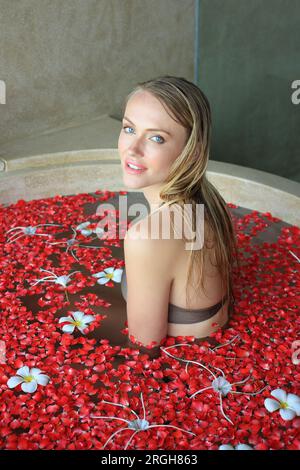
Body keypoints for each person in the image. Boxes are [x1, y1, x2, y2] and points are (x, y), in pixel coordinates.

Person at [117, 75, 240, 355]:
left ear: (191, 152)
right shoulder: (207, 199)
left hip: (182, 367)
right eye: (128, 129)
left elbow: (143, 350)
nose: (132, 149)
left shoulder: (147, 237)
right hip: (213, 351)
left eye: (156, 138)